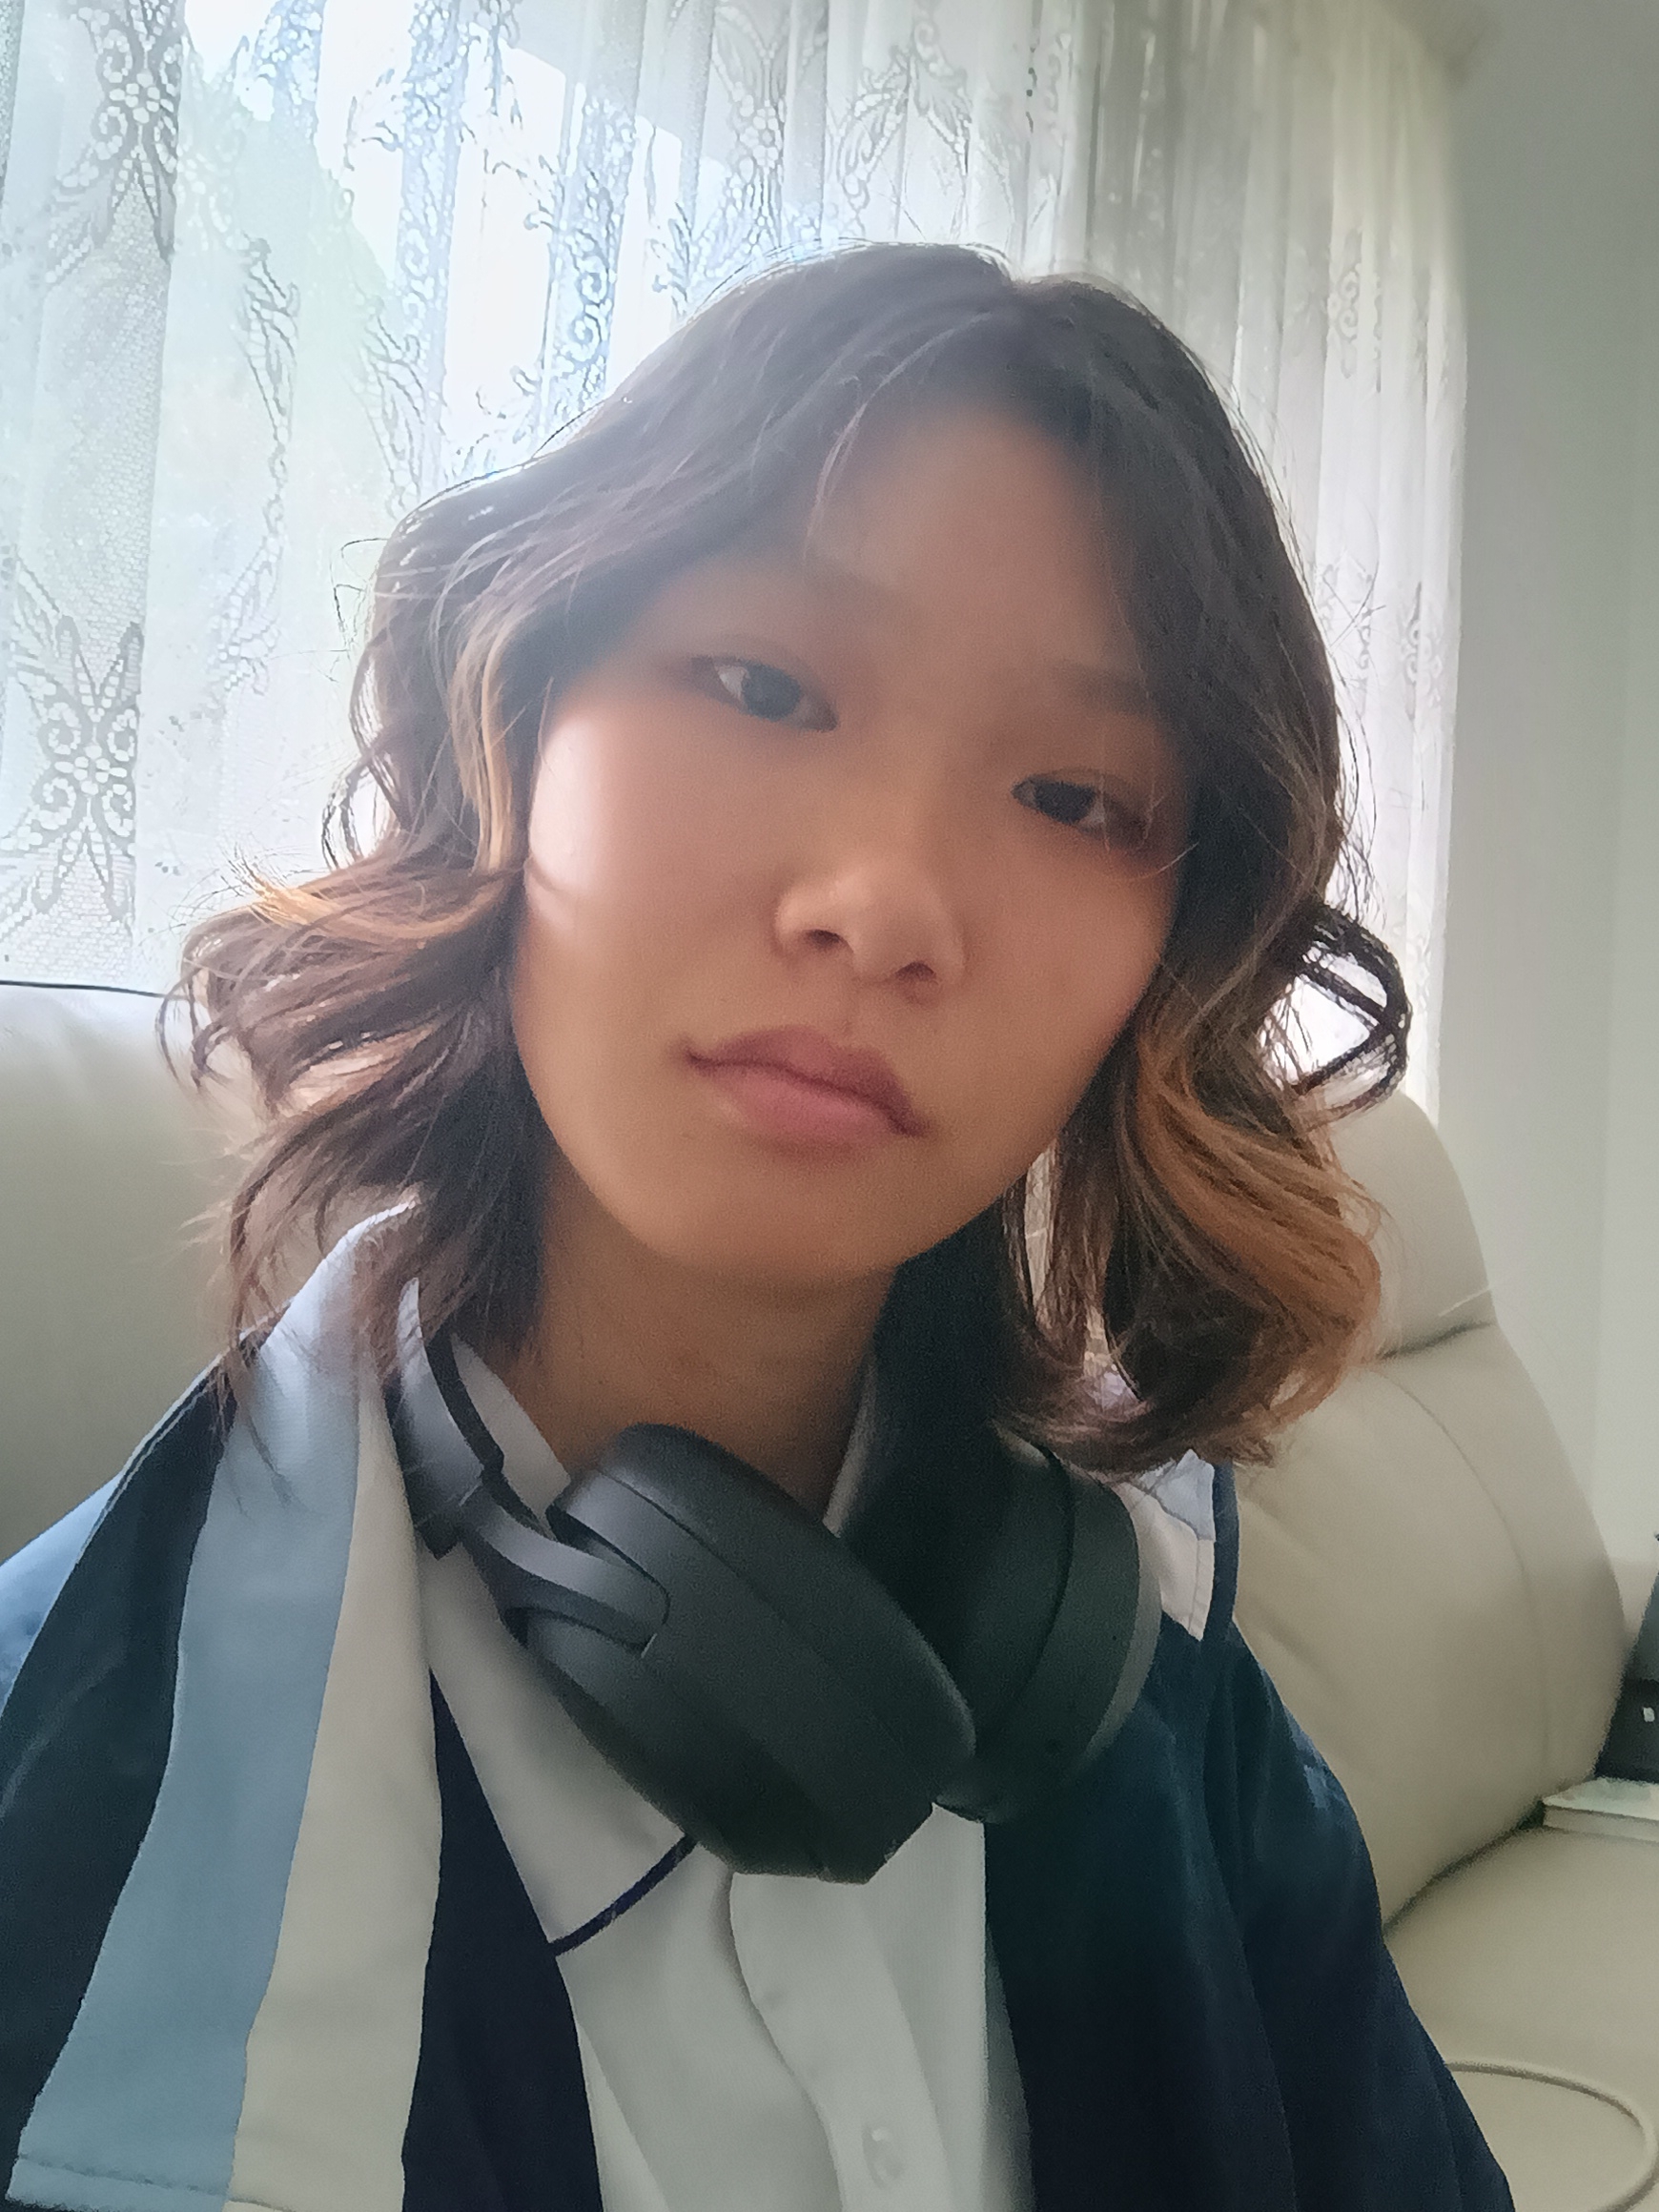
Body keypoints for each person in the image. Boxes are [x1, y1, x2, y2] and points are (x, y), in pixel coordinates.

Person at [0, 243, 1512, 2212]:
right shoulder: (60, 1798)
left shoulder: (1145, 1655)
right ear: (513, 715)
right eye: (764, 684)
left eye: (1074, 795)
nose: (884, 902)